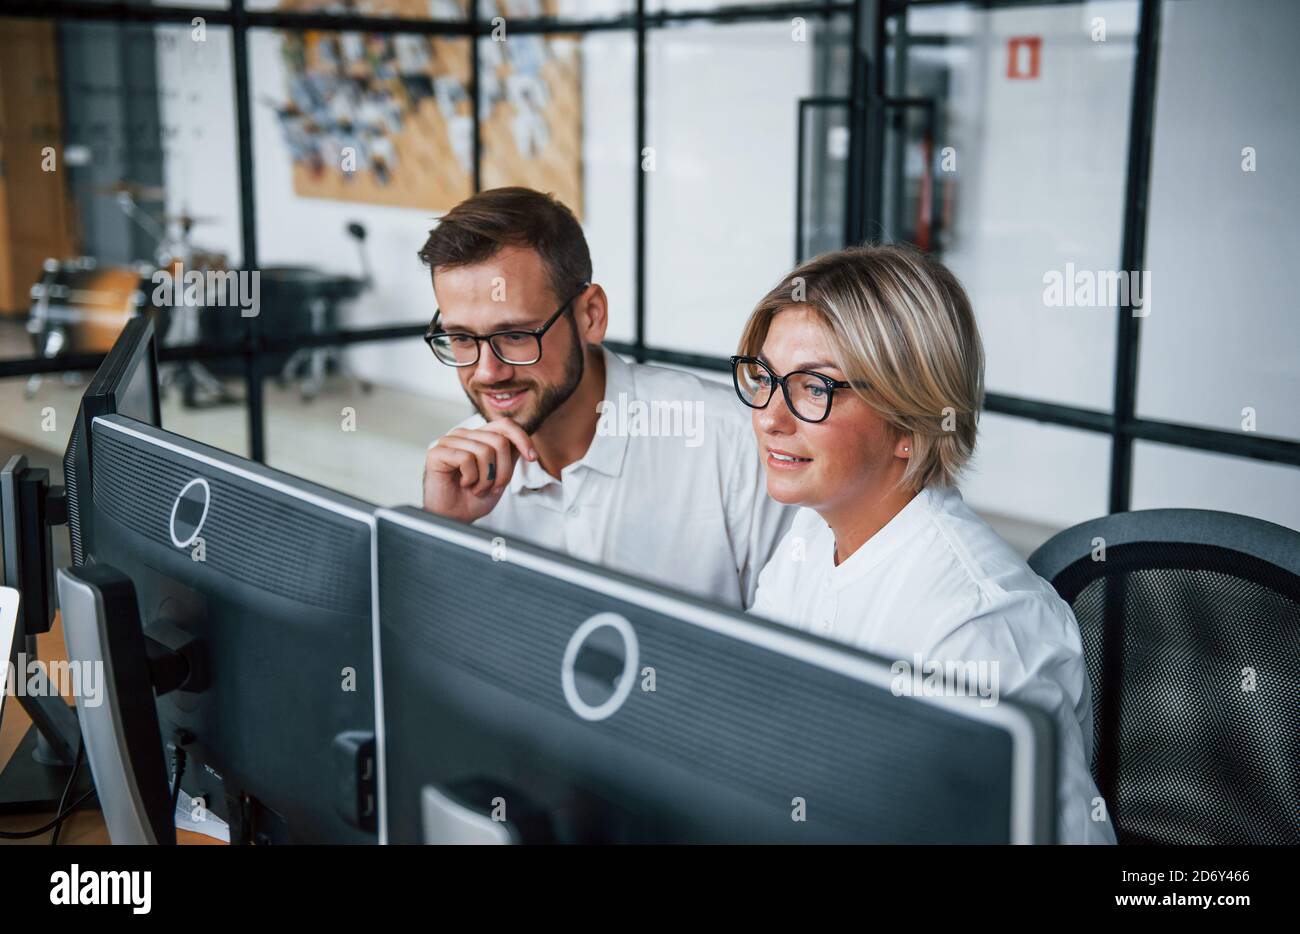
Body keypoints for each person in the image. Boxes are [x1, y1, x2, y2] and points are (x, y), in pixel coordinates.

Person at [734, 243, 1116, 844]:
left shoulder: (975, 627)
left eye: (813, 388)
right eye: (763, 378)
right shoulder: (810, 537)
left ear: (909, 426)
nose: (769, 417)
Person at [418, 187, 792, 608]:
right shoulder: (457, 468)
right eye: (462, 338)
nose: (488, 372)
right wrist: (440, 531)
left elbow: (793, 649)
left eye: (516, 335)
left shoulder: (734, 444)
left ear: (590, 315)